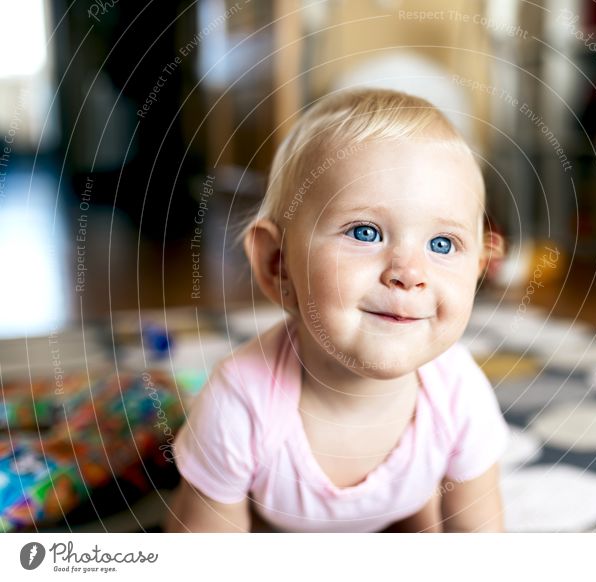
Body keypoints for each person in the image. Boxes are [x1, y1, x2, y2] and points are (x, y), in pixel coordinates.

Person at [165, 88, 508, 532]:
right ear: (278, 263)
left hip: (401, 511)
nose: (409, 273)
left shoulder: (460, 393)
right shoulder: (241, 402)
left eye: (442, 244)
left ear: (478, 271)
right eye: (365, 232)